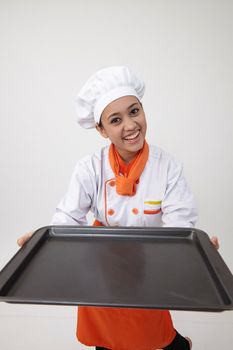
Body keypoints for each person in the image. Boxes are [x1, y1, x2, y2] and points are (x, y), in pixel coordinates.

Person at [18, 66, 220, 350]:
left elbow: (180, 227)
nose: (130, 125)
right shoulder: (89, 167)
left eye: (134, 111)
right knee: (107, 338)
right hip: (101, 265)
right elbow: (67, 218)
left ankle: (178, 345)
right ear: (101, 130)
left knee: (153, 332)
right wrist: (41, 244)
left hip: (149, 263)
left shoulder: (168, 167)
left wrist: (197, 254)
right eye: (115, 120)